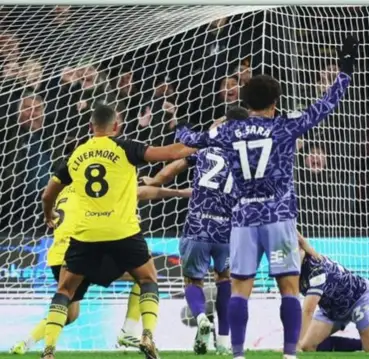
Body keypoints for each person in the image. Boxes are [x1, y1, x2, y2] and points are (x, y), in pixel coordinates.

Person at [176, 35, 358, 359]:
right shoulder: (284, 126)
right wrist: (345, 71)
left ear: (246, 103)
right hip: (278, 216)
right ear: (275, 101)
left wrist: (180, 127)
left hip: (243, 217)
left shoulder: (228, 130)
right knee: (288, 288)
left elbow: (193, 139)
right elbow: (325, 105)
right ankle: (289, 355)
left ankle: (236, 354)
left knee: (239, 288)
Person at [40, 103, 196, 359]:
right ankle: (146, 334)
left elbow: (48, 195)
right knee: (147, 280)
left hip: (86, 234)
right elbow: (169, 153)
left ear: (91, 128)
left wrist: (49, 214)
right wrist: (202, 142)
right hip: (123, 232)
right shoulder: (125, 148)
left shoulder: (76, 156)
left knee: (65, 291)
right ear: (117, 126)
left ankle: (48, 351)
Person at [10, 183, 190, 354]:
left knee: (69, 313)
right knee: (145, 276)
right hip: (84, 250)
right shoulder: (95, 190)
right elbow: (135, 193)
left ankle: (25, 343)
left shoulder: (63, 192)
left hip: (57, 256)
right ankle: (128, 331)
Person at [141, 106, 249, 354]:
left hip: (199, 223)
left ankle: (201, 318)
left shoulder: (205, 145)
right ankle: (223, 341)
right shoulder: (247, 153)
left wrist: (153, 181)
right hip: (229, 226)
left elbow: (172, 169)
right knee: (224, 278)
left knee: (193, 279)